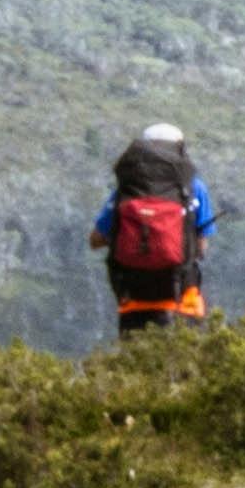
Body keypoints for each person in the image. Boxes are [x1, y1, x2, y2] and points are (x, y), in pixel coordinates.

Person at [94, 122, 217, 338]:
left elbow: (96, 239)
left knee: (135, 367)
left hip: (134, 302)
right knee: (185, 367)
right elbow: (201, 246)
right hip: (182, 299)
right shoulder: (194, 188)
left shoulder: (126, 190)